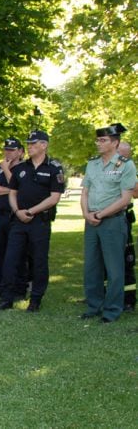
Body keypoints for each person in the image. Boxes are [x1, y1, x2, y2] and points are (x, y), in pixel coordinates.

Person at [0, 130, 65, 312]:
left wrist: (30, 212)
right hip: (18, 221)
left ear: (44, 145)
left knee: (39, 261)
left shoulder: (54, 168)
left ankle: (35, 300)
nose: (30, 147)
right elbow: (12, 192)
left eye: (33, 144)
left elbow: (54, 197)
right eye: (29, 144)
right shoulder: (21, 168)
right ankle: (6, 298)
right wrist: (17, 211)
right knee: (11, 259)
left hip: (39, 221)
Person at [80, 123, 136, 323]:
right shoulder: (92, 163)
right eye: (98, 139)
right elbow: (85, 191)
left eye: (103, 140)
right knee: (91, 267)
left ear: (115, 142)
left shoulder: (126, 165)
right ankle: (94, 305)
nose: (98, 143)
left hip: (112, 222)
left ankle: (112, 309)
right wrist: (87, 214)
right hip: (91, 221)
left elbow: (125, 199)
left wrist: (101, 214)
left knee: (114, 268)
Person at [0, 138, 26, 299]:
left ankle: (17, 288)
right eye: (6, 149)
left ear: (20, 151)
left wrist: (7, 171)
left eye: (12, 149)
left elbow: (21, 189)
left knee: (16, 254)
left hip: (15, 217)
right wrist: (10, 190)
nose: (8, 152)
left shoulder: (24, 168)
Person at [117, 141, 137, 312]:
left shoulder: (129, 169)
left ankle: (129, 300)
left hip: (122, 218)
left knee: (126, 260)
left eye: (123, 155)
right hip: (103, 218)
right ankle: (104, 294)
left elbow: (136, 192)